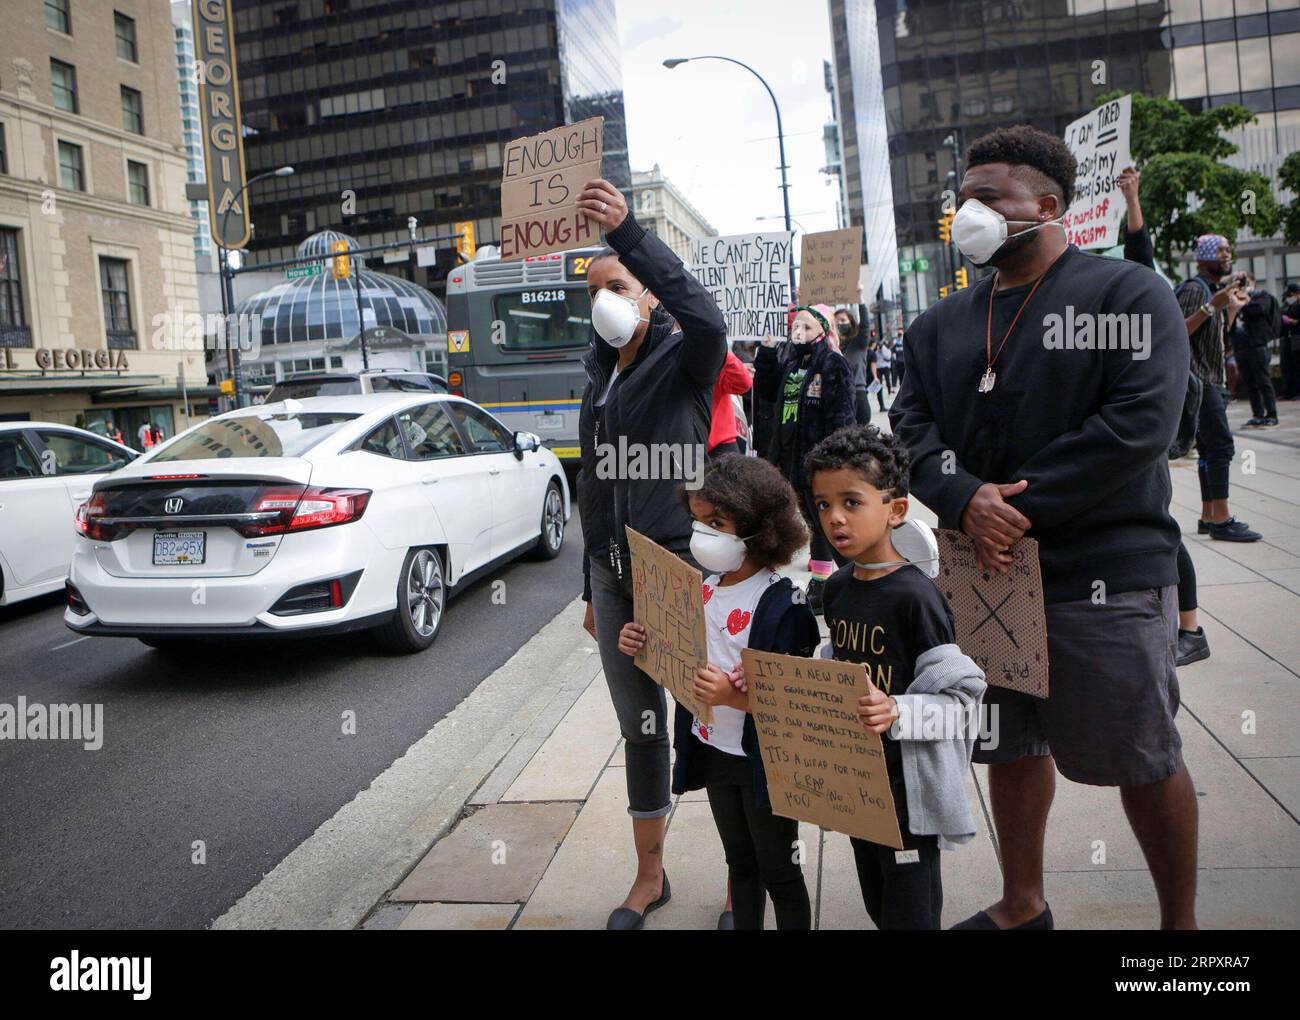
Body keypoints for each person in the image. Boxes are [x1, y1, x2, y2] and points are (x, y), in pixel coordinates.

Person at [890, 125, 1199, 930]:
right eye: (962, 198)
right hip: (985, 576)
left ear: (1047, 204)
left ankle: (1181, 931)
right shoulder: (940, 324)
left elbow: (1139, 425)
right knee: (1010, 742)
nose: (968, 213)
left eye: (988, 198)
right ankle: (1023, 904)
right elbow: (912, 427)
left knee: (1142, 752)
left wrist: (1010, 506)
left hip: (1103, 572)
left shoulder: (1128, 294)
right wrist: (960, 498)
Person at [574, 177, 727, 930]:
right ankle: (650, 876)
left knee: (714, 717)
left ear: (650, 294)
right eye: (595, 288)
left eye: (620, 284)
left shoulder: (685, 357)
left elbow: (708, 314)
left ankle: (744, 876)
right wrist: (587, 588)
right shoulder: (598, 375)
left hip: (678, 567)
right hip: (614, 572)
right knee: (641, 728)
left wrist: (630, 234)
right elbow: (593, 485)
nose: (604, 297)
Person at [618, 456, 820, 930]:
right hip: (713, 751)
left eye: (715, 522)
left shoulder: (782, 603)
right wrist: (643, 643)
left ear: (757, 529)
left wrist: (737, 696)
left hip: (763, 763)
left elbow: (797, 700)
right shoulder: (698, 589)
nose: (700, 534)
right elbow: (677, 652)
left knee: (780, 869)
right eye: (697, 520)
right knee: (739, 864)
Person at [807, 425, 987, 929]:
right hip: (858, 785)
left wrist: (897, 710)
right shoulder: (837, 588)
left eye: (851, 501)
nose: (834, 517)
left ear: (896, 509)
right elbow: (842, 667)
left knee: (911, 911)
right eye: (822, 505)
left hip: (907, 796)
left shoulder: (917, 598)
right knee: (878, 905)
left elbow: (962, 702)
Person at [1117, 165, 1210, 667]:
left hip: (1149, 437)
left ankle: (1190, 630)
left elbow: (1139, 255)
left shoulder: (1144, 305)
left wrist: (1132, 198)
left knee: (1163, 532)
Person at [752, 304, 855, 611]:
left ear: (823, 329)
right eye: (796, 327)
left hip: (819, 460)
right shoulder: (791, 359)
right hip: (790, 457)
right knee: (811, 523)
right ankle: (822, 583)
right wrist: (768, 352)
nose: (799, 332)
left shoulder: (833, 363)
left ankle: (854, 579)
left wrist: (833, 459)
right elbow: (767, 392)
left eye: (807, 327)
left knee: (827, 523)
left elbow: (842, 416)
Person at [1175, 235, 1259, 542]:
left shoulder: (1213, 291)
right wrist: (1212, 306)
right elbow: (1177, 330)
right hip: (1198, 380)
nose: (1227, 255)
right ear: (1205, 257)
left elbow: (1214, 338)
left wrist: (1229, 311)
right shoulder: (1196, 289)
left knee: (1209, 449)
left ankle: (1209, 515)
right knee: (1221, 446)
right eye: (1221, 251)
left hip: (1210, 378)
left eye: (1228, 250)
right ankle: (1222, 520)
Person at [1230, 271, 1280, 427]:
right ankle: (1258, 414)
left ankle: (1271, 414)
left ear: (1252, 282)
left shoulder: (1261, 296)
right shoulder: (1233, 299)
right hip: (1241, 346)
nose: (1241, 285)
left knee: (1263, 381)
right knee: (1250, 383)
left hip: (1257, 344)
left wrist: (1244, 300)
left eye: (1244, 281)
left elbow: (1257, 310)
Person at [708, 348, 753, 459]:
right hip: (685, 443)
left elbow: (744, 383)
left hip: (720, 443)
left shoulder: (715, 359)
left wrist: (720, 350)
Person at [833, 305, 872, 424]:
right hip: (839, 397)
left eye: (843, 320)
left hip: (858, 395)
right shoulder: (832, 346)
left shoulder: (858, 344)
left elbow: (865, 325)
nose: (840, 323)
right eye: (837, 321)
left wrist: (861, 301)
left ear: (851, 322)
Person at [1280, 282, 1300, 400]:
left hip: (1297, 336)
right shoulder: (1288, 306)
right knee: (1289, 366)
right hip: (1290, 337)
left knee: (1297, 366)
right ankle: (1289, 391)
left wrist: (1295, 322)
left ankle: (1297, 392)